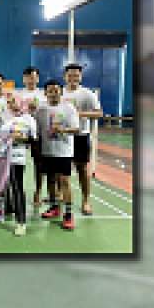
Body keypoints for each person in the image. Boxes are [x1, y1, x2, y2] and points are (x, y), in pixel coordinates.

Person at [37, 79, 80, 230]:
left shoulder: (69, 108)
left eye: (56, 90)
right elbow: (36, 129)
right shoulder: (41, 110)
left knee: (64, 181)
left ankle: (68, 214)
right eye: (50, 91)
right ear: (45, 93)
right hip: (47, 150)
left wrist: (62, 130)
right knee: (50, 180)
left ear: (61, 92)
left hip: (64, 151)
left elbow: (76, 129)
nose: (53, 93)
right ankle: (54, 207)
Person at [62, 63, 103, 215]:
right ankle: (61, 196)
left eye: (76, 75)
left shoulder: (87, 94)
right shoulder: (59, 93)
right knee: (61, 169)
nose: (73, 77)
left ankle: (86, 200)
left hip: (80, 136)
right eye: (70, 75)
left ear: (80, 76)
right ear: (65, 76)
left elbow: (99, 113)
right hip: (62, 136)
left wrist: (79, 114)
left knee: (82, 169)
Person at [2, 93, 38, 236]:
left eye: (14, 101)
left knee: (17, 186)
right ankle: (8, 209)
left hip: (17, 157)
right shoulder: (6, 119)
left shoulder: (28, 119)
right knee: (7, 186)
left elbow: (34, 141)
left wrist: (23, 138)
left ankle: (21, 222)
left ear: (21, 102)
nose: (12, 104)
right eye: (9, 102)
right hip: (2, 158)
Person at [18, 66, 47, 208]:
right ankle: (19, 191)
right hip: (21, 134)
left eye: (34, 77)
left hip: (38, 134)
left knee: (39, 164)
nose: (31, 80)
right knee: (19, 163)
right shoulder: (18, 95)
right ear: (24, 79)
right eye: (28, 77)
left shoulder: (43, 95)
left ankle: (38, 192)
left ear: (38, 79)